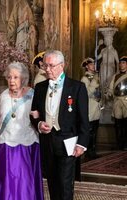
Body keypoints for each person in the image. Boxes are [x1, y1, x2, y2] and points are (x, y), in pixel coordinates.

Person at [30, 50, 90, 200]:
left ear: (62, 66)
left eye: (51, 66)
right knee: (52, 183)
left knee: (65, 184)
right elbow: (33, 114)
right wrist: (39, 124)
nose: (47, 69)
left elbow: (84, 119)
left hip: (68, 141)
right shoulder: (40, 87)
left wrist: (82, 143)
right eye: (45, 66)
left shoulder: (77, 87)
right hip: (48, 141)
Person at [0, 61, 44, 200]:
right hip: (6, 144)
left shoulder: (32, 95)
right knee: (7, 181)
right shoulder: (3, 96)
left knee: (24, 182)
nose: (11, 81)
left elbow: (41, 117)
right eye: (9, 77)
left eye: (15, 77)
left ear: (23, 78)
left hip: (27, 144)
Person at [81, 58, 101, 159]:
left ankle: (93, 150)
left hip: (96, 107)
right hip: (89, 108)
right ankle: (88, 152)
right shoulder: (85, 79)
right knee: (89, 132)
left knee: (94, 131)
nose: (93, 66)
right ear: (87, 66)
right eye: (91, 64)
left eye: (94, 64)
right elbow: (87, 93)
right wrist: (94, 83)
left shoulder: (96, 77)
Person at [107, 56, 127, 150]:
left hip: (126, 101)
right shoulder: (115, 76)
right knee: (118, 124)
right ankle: (119, 144)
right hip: (117, 101)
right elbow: (111, 88)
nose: (121, 64)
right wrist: (109, 93)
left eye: (123, 63)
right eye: (120, 63)